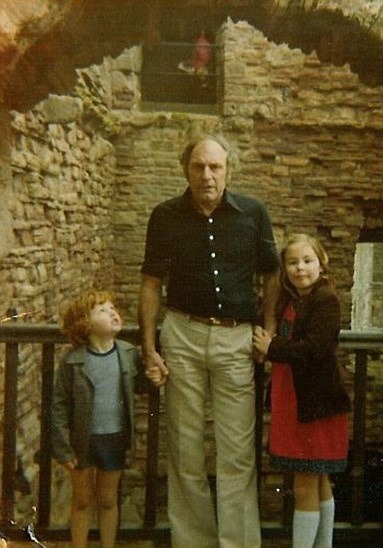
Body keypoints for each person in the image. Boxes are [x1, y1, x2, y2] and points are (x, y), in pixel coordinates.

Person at [139, 133, 280, 547]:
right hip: (181, 334)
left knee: (237, 452)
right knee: (185, 449)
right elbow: (150, 284)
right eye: (199, 166)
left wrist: (268, 331)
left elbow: (272, 274)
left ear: (227, 171)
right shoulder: (165, 216)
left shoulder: (253, 214)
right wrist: (149, 347)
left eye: (215, 167)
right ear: (186, 170)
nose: (207, 175)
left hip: (236, 340)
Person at [253, 233, 351, 548]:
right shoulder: (291, 300)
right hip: (296, 400)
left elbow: (316, 349)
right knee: (319, 479)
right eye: (292, 263)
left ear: (321, 263)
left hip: (314, 404)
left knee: (306, 483)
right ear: (284, 269)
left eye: (307, 261)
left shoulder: (325, 299)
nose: (300, 268)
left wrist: (272, 347)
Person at [51, 290, 159, 548]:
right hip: (82, 441)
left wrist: (154, 377)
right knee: (82, 499)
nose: (112, 312)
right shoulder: (73, 362)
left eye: (113, 308)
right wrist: (63, 450)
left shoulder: (127, 353)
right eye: (102, 310)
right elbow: (58, 406)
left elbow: (142, 385)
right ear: (84, 324)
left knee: (108, 500)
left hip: (114, 437)